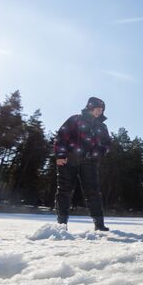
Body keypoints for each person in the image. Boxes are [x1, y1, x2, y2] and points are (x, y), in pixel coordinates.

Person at [54, 97, 111, 231]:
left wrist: (98, 152)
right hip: (69, 159)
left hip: (90, 162)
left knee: (94, 192)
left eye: (102, 109)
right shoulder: (75, 119)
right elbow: (62, 135)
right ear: (90, 107)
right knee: (64, 190)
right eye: (97, 108)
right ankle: (61, 225)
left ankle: (99, 225)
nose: (99, 111)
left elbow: (107, 144)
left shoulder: (102, 126)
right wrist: (60, 154)